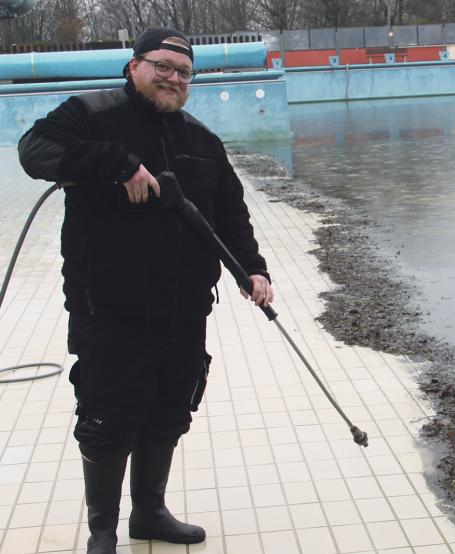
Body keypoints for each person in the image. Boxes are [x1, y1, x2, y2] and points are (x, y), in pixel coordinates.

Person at [18, 28, 273, 553]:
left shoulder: (202, 139)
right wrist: (118, 165)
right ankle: (102, 531)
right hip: (109, 306)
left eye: (183, 72)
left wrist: (252, 269)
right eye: (163, 66)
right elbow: (34, 150)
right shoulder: (89, 114)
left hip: (184, 309)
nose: (173, 78)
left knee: (170, 409)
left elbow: (229, 212)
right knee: (108, 416)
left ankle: (150, 513)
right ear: (134, 66)